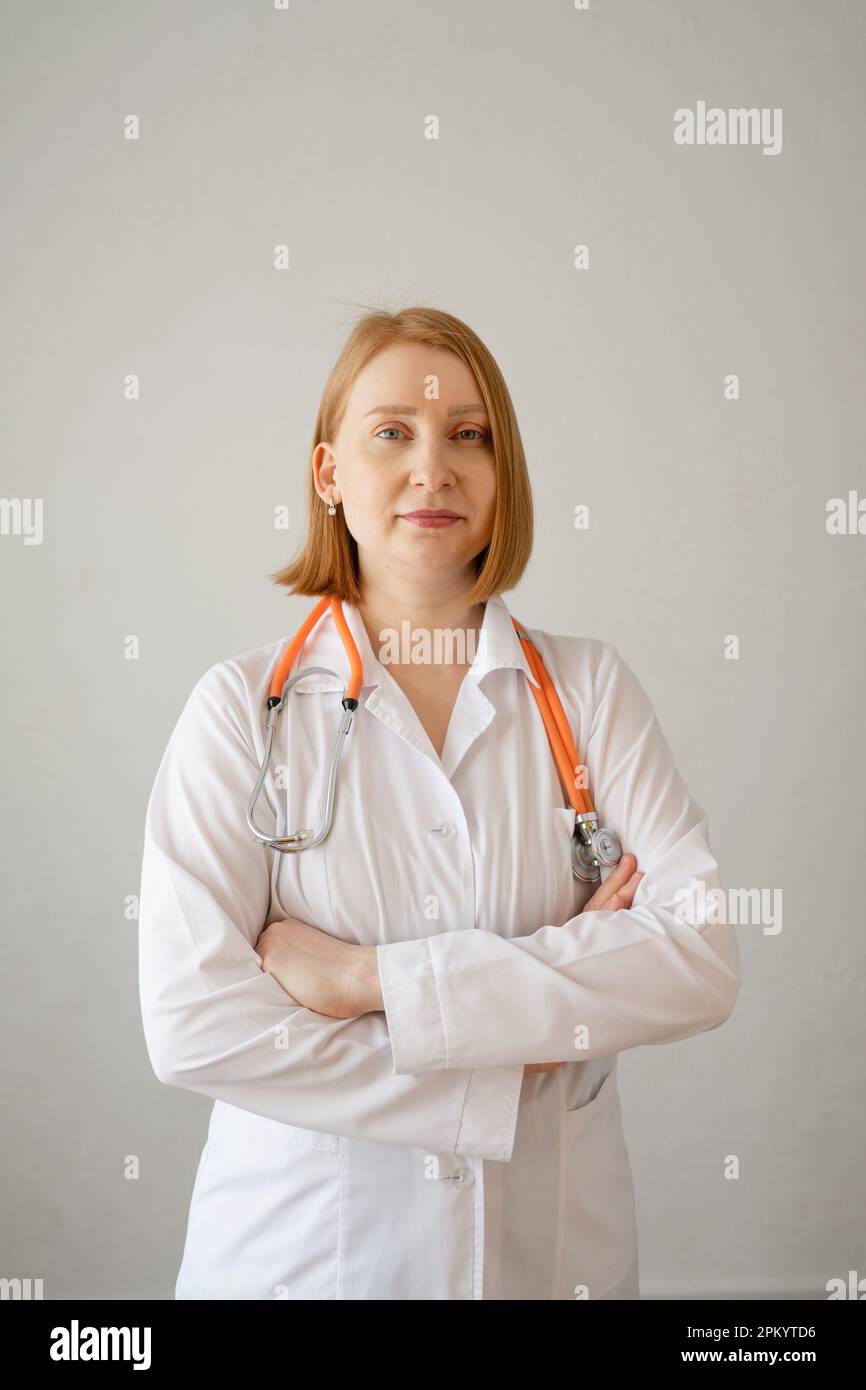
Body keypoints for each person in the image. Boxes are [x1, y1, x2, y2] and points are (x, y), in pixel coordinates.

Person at [137, 305, 741, 1301]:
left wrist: (368, 979)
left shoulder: (588, 692)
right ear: (328, 474)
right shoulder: (238, 710)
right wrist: (516, 1050)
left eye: (468, 434)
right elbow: (197, 1021)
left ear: (502, 472)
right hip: (301, 1267)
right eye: (392, 434)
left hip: (545, 1266)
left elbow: (699, 956)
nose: (433, 468)